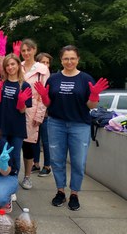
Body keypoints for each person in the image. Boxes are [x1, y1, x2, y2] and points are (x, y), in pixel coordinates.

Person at [34, 45, 109, 211]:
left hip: (79, 125)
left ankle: (74, 193)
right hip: (56, 124)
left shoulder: (86, 79)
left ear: (78, 59)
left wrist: (94, 95)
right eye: (66, 58)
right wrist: (45, 97)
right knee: (57, 160)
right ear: (61, 60)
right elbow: (48, 104)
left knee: (78, 162)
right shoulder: (53, 79)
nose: (69, 61)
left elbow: (91, 105)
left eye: (72, 58)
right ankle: (60, 191)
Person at [0, 54, 32, 176]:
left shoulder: (24, 85)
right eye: (7, 65)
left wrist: (21, 103)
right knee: (1, 155)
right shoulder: (1, 83)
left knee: (14, 156)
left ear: (19, 66)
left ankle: (12, 183)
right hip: (1, 126)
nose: (10, 67)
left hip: (16, 128)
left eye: (13, 64)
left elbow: (22, 111)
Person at [19, 39, 50, 190]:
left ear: (34, 50)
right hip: (17, 108)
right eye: (23, 50)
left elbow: (45, 94)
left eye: (28, 50)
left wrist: (40, 115)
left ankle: (27, 176)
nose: (26, 53)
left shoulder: (42, 69)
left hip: (33, 109)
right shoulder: (18, 66)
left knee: (29, 145)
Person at [32, 52, 53, 177]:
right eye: (42, 62)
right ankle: (36, 163)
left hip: (46, 115)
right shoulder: (35, 76)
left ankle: (47, 165)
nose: (45, 65)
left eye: (47, 62)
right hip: (33, 114)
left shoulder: (51, 78)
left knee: (46, 141)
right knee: (34, 140)